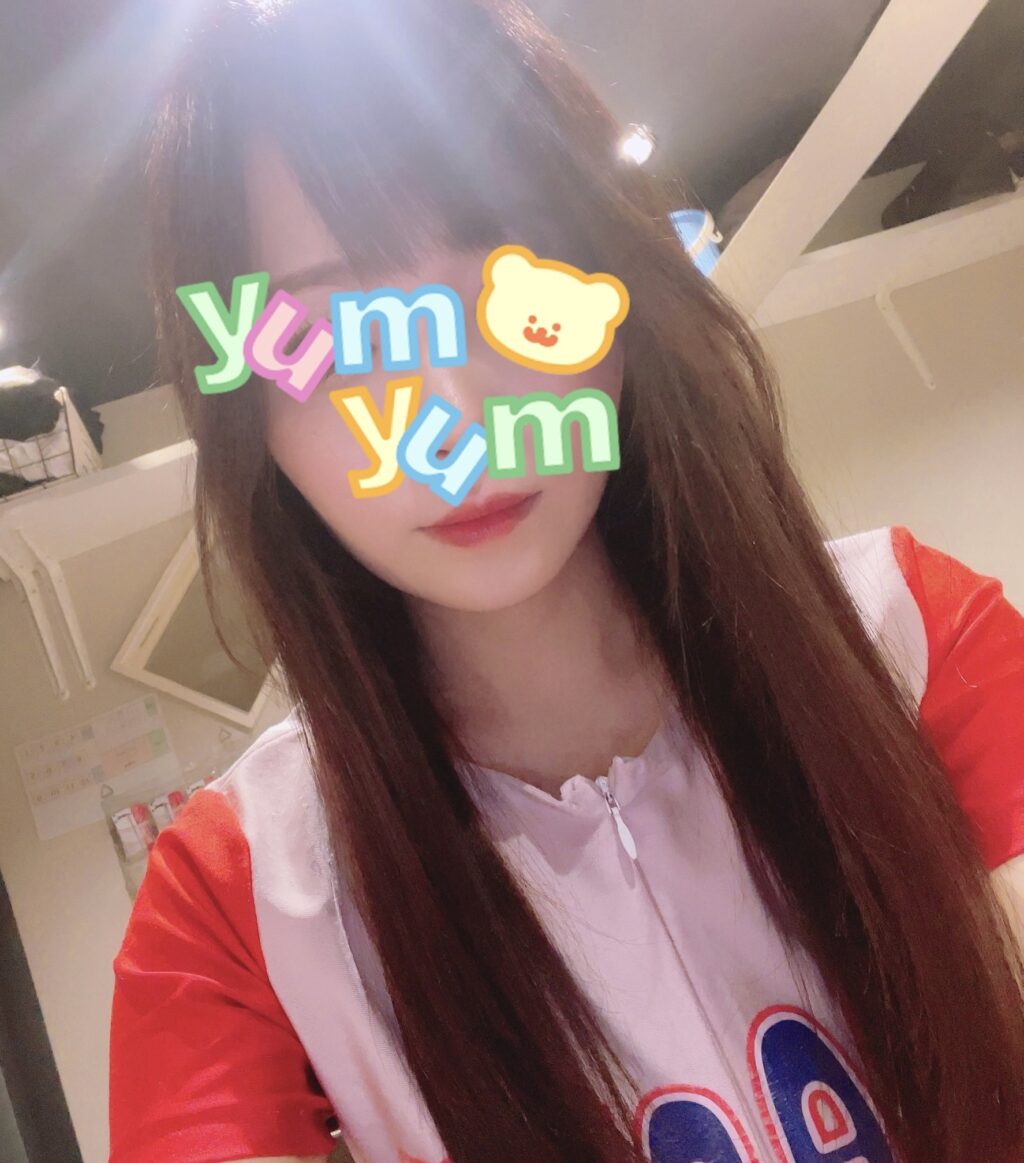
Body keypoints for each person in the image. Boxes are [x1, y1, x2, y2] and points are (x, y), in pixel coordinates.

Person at [107, 1, 1024, 1160]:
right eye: (343, 344)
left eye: (514, 296)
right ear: (253, 413)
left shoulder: (906, 638)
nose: (452, 418)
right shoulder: (242, 894)